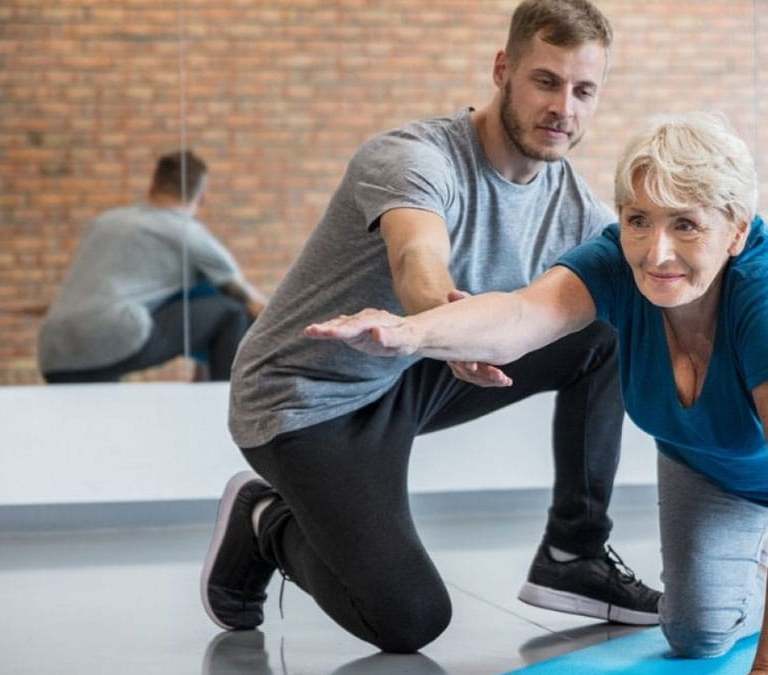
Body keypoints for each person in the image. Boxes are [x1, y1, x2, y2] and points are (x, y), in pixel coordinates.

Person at [306, 113, 768, 672]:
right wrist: (413, 332)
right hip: (712, 456)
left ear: (736, 230)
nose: (656, 251)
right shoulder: (617, 263)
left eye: (686, 224)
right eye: (639, 220)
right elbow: (521, 316)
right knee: (693, 634)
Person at [200, 0, 662, 655]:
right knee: (409, 620)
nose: (564, 107)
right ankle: (263, 517)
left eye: (583, 89)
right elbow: (419, 259)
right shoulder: (415, 158)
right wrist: (429, 326)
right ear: (503, 69)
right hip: (303, 400)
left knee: (607, 326)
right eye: (546, 81)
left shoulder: (572, 206)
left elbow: (647, 284)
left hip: (406, 377)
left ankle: (574, 553)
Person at [37, 150, 267, 383]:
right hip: (111, 340)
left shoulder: (105, 221)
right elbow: (250, 302)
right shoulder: (186, 231)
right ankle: (225, 406)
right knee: (231, 312)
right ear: (202, 197)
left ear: (153, 185)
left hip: (53, 352)